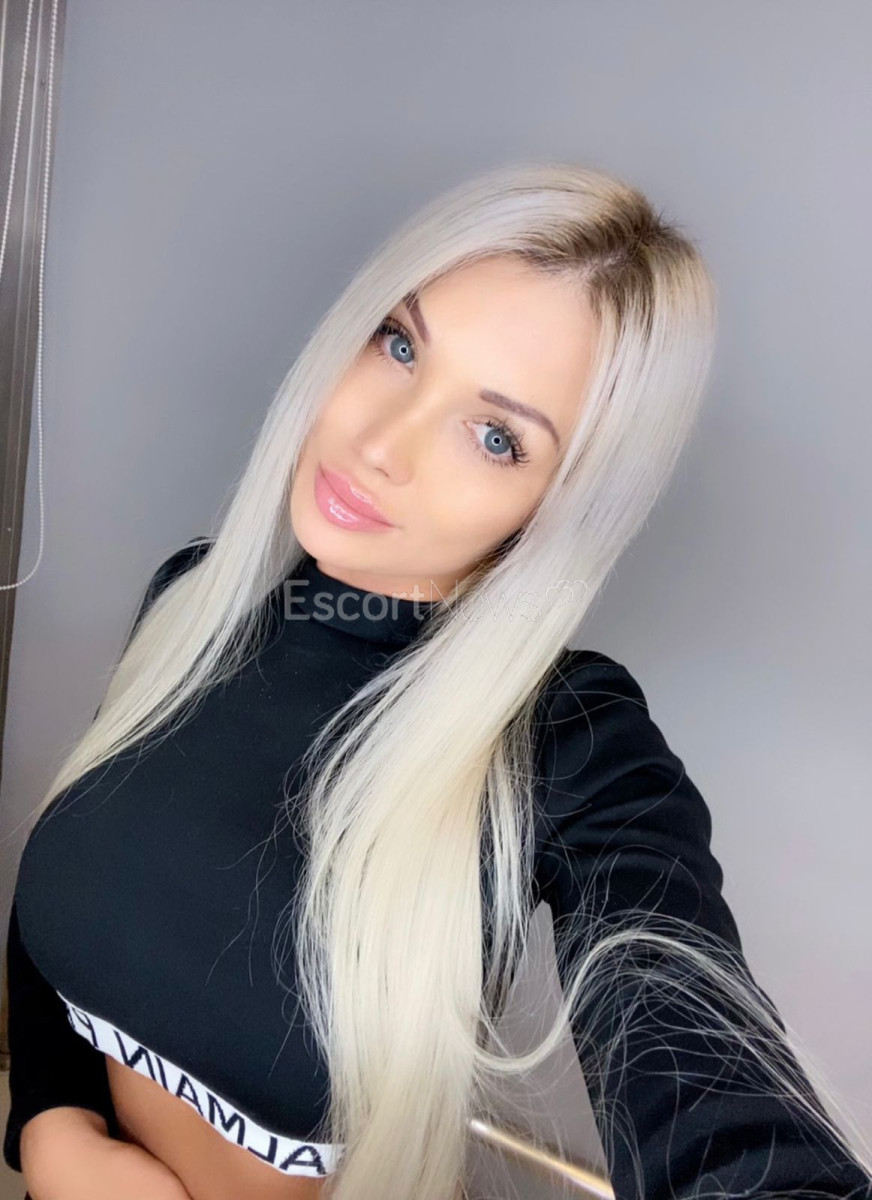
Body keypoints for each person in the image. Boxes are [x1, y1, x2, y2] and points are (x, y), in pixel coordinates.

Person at [5, 162, 871, 1200]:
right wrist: (50, 1126)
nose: (381, 444)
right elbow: (66, 891)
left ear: (560, 504)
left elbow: (697, 1051)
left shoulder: (569, 742)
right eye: (401, 343)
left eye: (497, 437)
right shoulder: (195, 599)